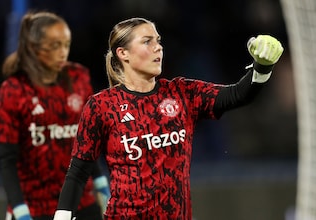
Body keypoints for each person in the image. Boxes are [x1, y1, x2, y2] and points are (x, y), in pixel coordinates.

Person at [53, 17, 284, 220]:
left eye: (159, 41)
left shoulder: (182, 93)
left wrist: (262, 68)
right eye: (147, 41)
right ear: (123, 53)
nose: (158, 48)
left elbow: (237, 95)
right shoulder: (102, 106)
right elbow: (79, 170)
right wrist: (62, 216)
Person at [0, 11, 110, 220]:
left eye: (66, 44)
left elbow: (86, 142)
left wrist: (101, 182)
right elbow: (7, 160)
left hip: (81, 202)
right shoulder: (13, 90)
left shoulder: (79, 77)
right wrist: (20, 210)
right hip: (35, 208)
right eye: (55, 46)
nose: (63, 53)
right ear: (34, 48)